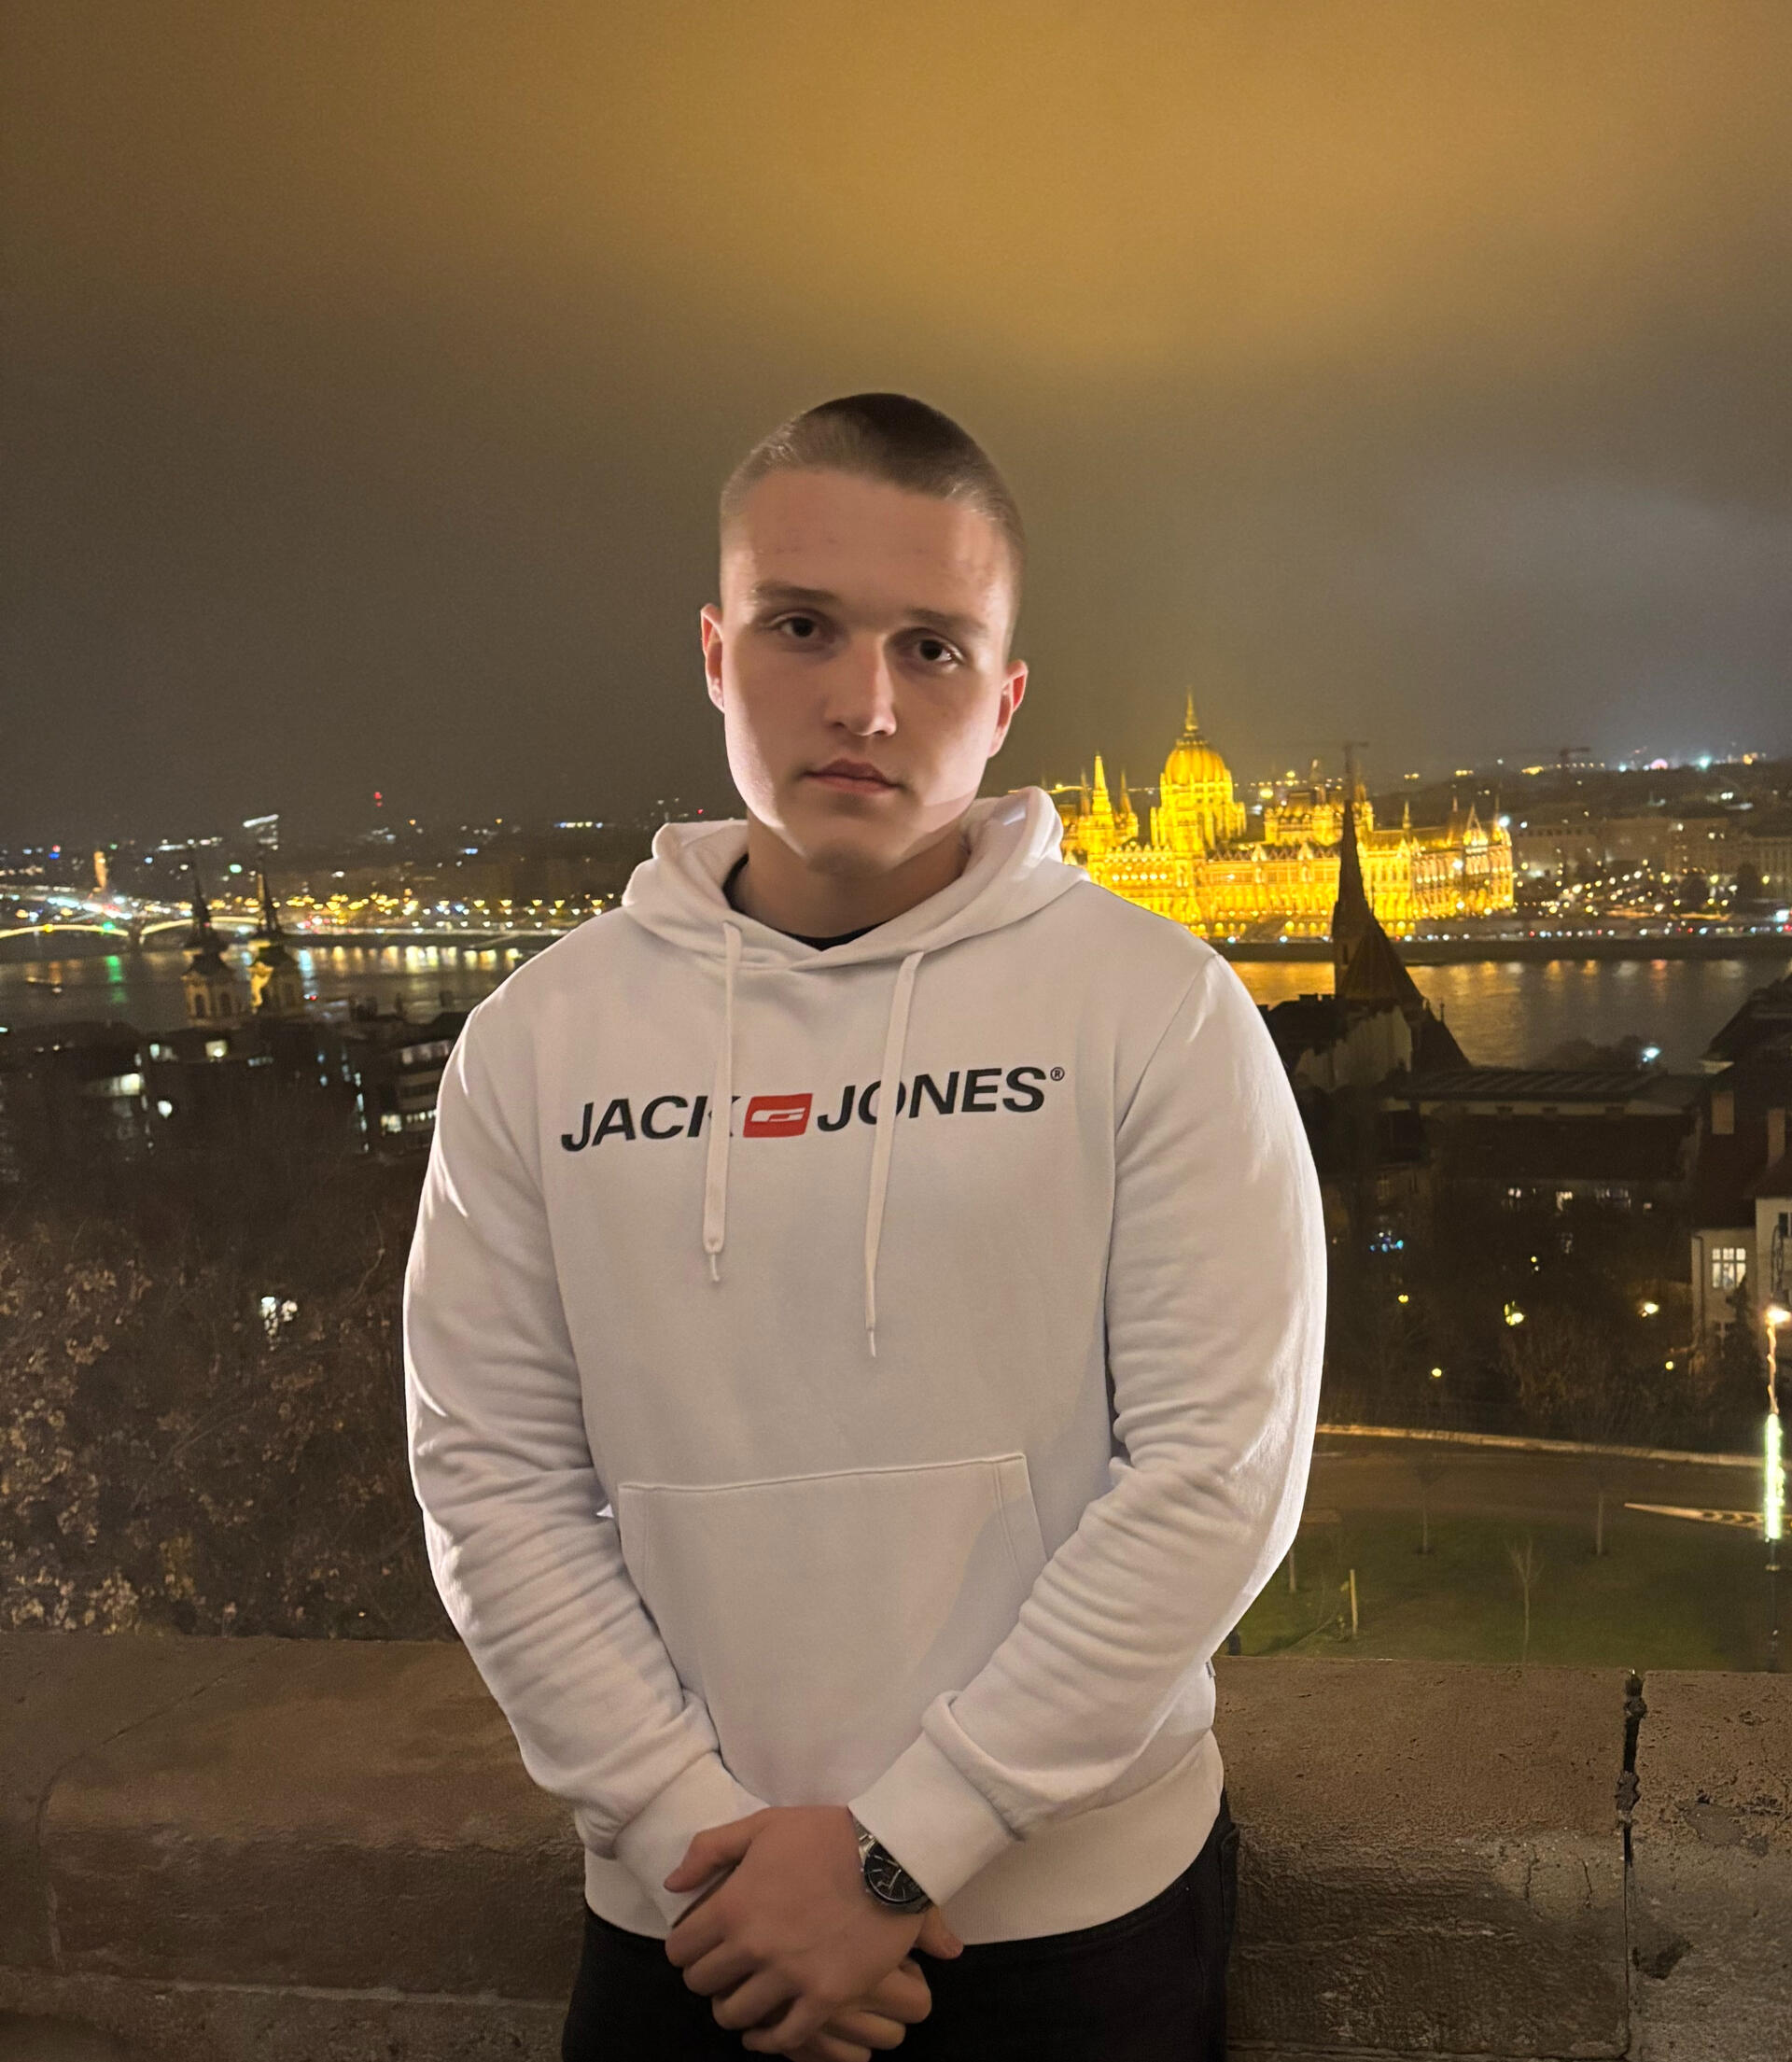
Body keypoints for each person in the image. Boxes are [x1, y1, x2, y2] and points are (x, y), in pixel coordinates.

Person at [403, 392, 1326, 2061]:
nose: (866, 702)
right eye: (804, 627)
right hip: (695, 1928)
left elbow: (1217, 1477)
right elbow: (492, 1481)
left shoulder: (1163, 1011)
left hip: (1077, 1927)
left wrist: (906, 1847)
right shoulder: (536, 1043)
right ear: (715, 651)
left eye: (932, 647)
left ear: (1007, 695)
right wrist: (698, 1840)